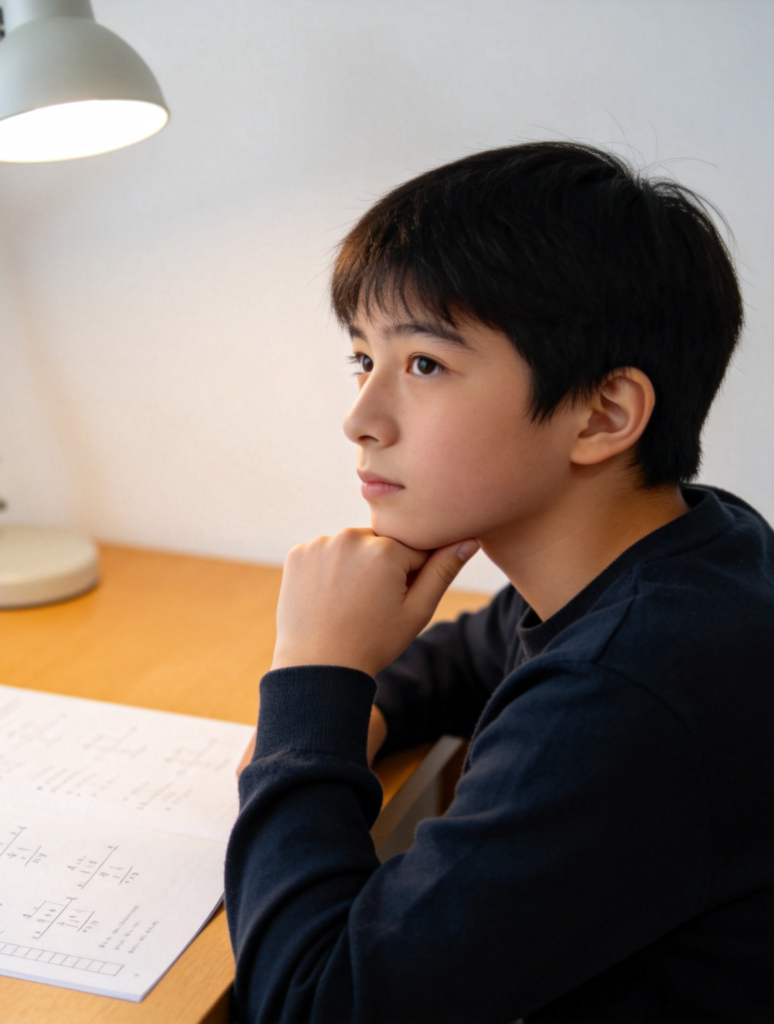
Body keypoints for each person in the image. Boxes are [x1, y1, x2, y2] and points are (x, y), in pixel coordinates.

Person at [224, 141, 774, 1023]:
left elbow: (310, 1003)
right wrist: (363, 709)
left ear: (602, 414)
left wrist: (313, 682)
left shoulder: (624, 695)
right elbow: (479, 650)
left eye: (425, 365)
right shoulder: (698, 546)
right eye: (363, 359)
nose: (359, 418)